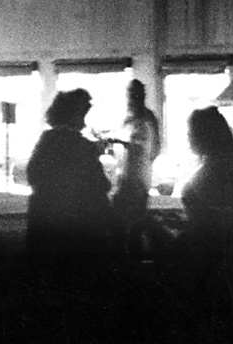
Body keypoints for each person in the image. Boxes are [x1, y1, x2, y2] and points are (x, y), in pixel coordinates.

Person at [26, 89, 112, 265]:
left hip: (45, 218)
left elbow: (32, 173)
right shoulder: (82, 146)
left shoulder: (46, 140)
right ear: (75, 115)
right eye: (82, 114)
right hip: (76, 223)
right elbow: (101, 185)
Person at [179, 106, 233, 263]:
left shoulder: (214, 170)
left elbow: (210, 225)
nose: (187, 136)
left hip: (205, 254)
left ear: (204, 135)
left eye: (190, 132)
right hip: (227, 250)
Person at [111, 79, 161, 256]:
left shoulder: (146, 118)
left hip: (137, 178)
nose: (130, 99)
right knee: (121, 223)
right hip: (125, 177)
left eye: (133, 95)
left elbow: (153, 149)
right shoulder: (129, 118)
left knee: (134, 224)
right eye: (129, 95)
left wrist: (131, 151)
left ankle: (135, 260)